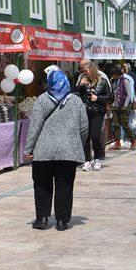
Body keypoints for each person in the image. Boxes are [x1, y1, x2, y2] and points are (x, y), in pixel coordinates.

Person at [24, 71, 88, 232]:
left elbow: (35, 127)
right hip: (68, 151)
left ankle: (42, 218)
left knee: (42, 185)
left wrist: (28, 149)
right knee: (64, 185)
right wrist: (77, 144)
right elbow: (84, 127)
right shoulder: (76, 101)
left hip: (43, 151)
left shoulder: (42, 100)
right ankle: (62, 221)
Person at [73, 60, 112, 172]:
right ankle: (87, 160)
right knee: (85, 137)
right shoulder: (82, 79)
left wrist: (98, 98)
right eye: (83, 71)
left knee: (95, 136)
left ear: (93, 70)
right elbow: (74, 94)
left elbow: (109, 97)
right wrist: (80, 85)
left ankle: (97, 158)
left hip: (98, 111)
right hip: (85, 111)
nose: (85, 73)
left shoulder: (103, 81)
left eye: (87, 70)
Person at [110, 65, 136, 150]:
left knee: (125, 125)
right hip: (115, 105)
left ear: (117, 73)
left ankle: (133, 140)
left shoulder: (125, 81)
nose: (112, 76)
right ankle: (117, 142)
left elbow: (129, 95)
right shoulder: (113, 81)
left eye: (113, 74)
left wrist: (125, 106)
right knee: (116, 125)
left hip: (123, 106)